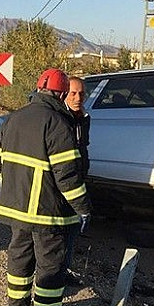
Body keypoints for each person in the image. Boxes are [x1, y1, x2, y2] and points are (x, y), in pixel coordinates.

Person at [0, 68, 92, 306]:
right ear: (60, 94)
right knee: (51, 266)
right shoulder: (57, 124)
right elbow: (68, 177)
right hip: (47, 213)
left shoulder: (12, 119)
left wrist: (14, 192)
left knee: (20, 257)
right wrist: (83, 208)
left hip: (16, 209)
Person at [62, 76, 90, 287]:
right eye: (73, 93)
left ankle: (64, 270)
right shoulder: (58, 119)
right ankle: (51, 275)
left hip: (78, 180)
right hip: (61, 184)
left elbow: (83, 148)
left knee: (73, 230)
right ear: (64, 94)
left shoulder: (84, 118)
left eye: (81, 93)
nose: (78, 97)